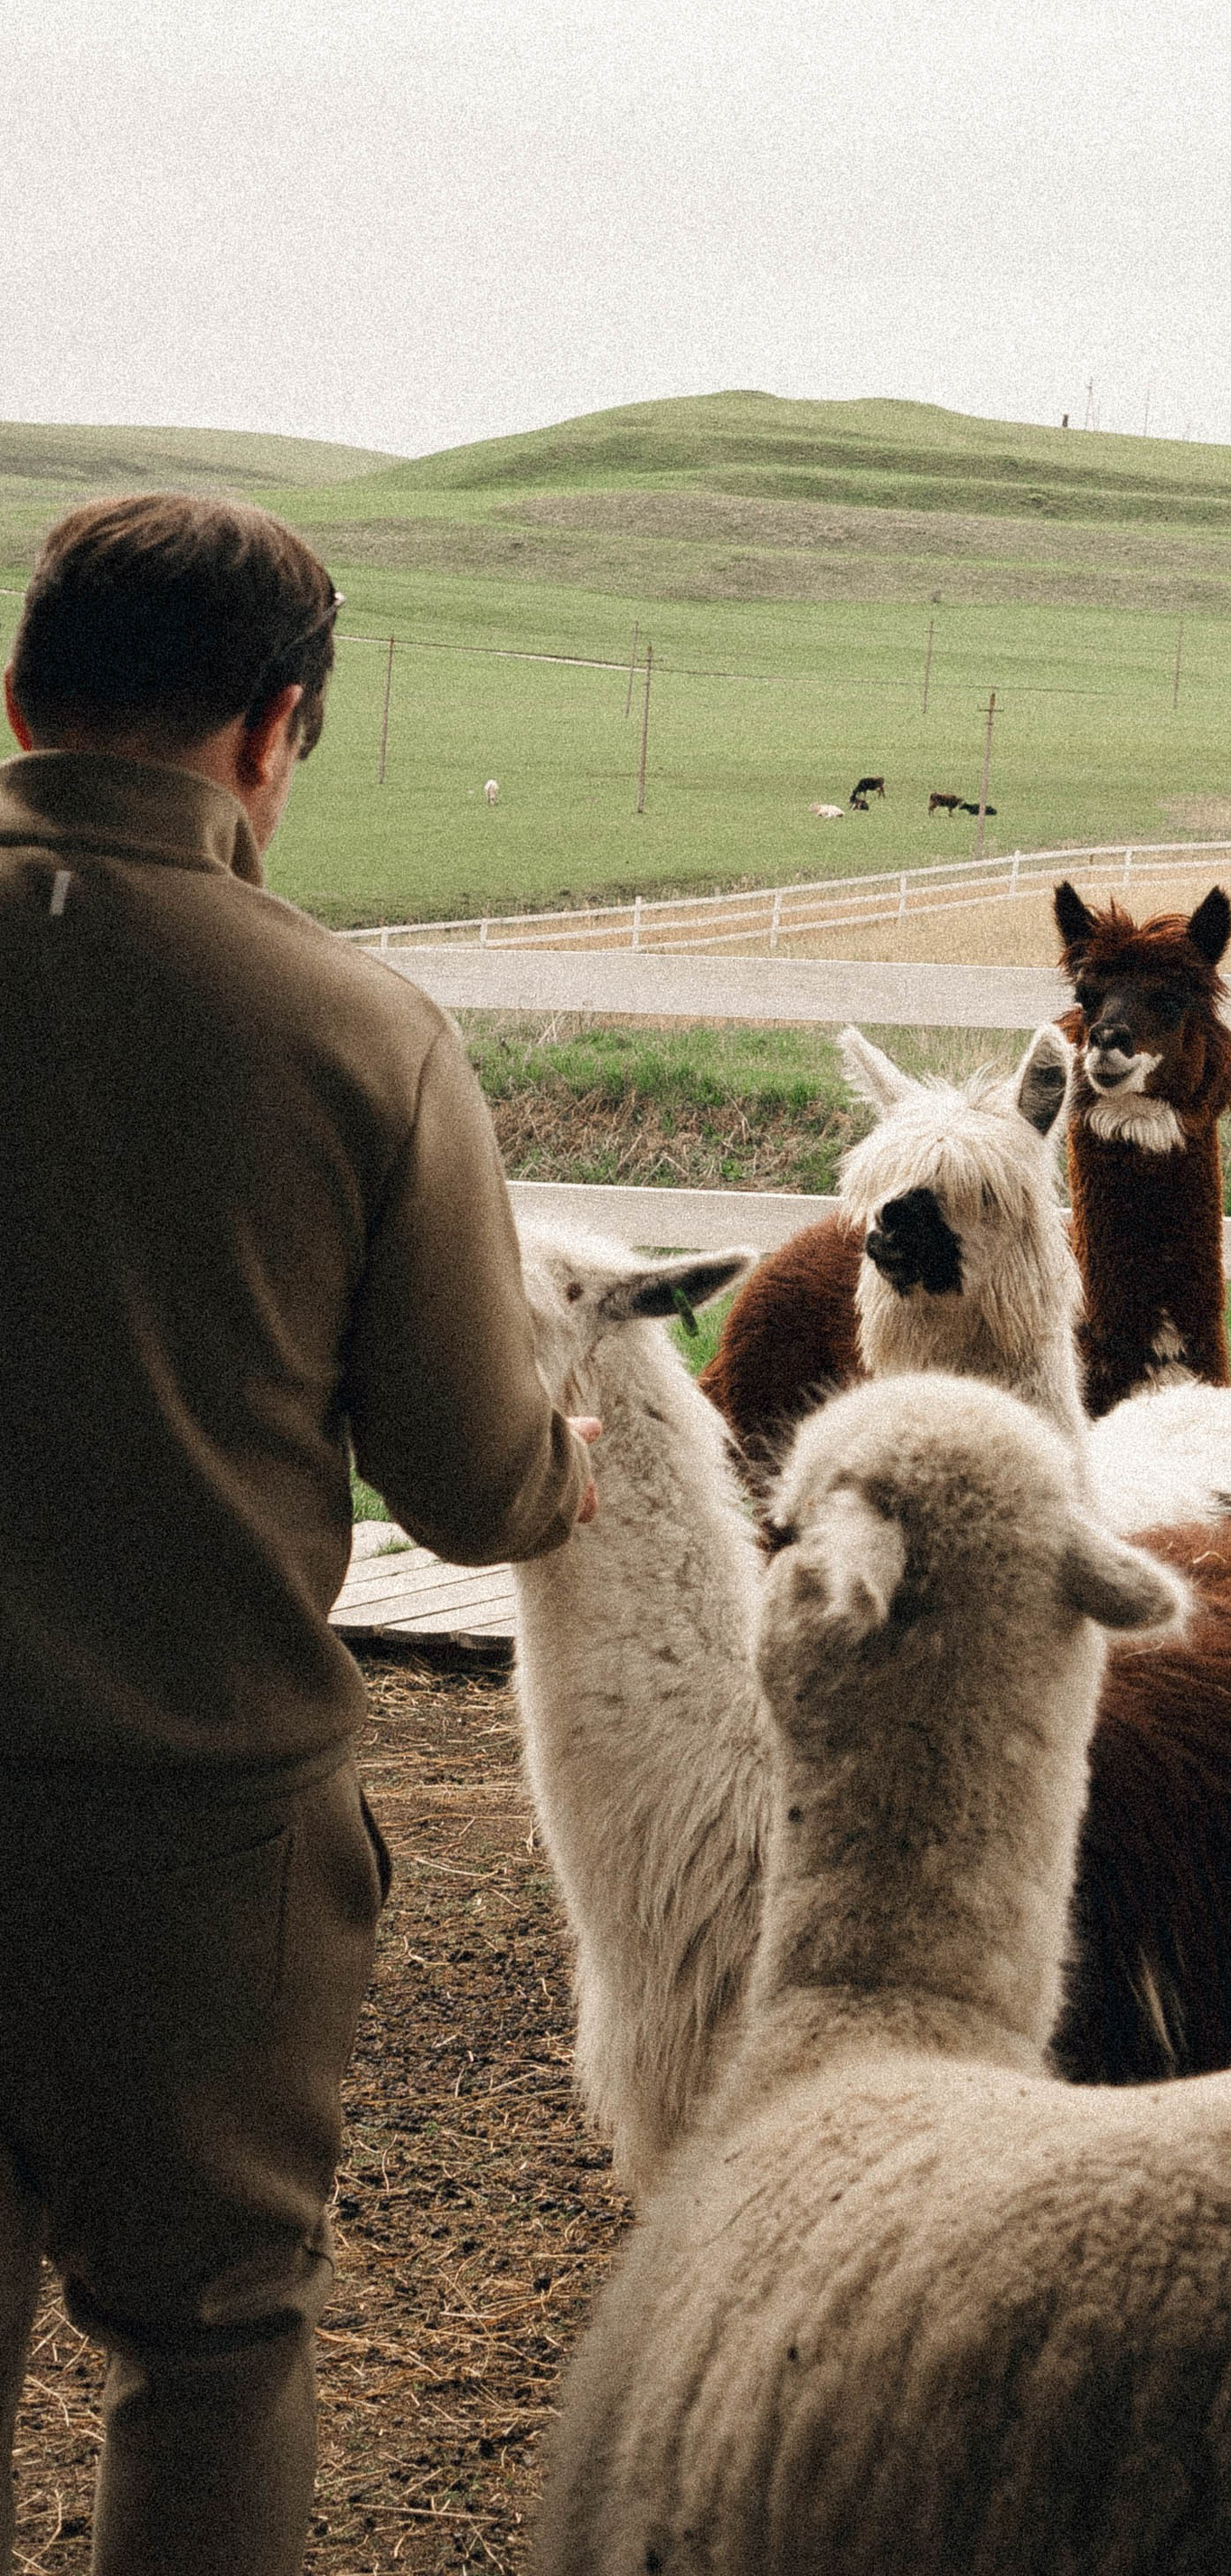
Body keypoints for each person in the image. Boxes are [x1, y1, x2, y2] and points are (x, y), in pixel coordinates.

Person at [0, 492, 593, 2576]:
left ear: (19, 695)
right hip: (192, 1845)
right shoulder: (355, 1036)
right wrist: (570, 1458)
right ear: (271, 730)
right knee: (210, 2346)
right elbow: (471, 1484)